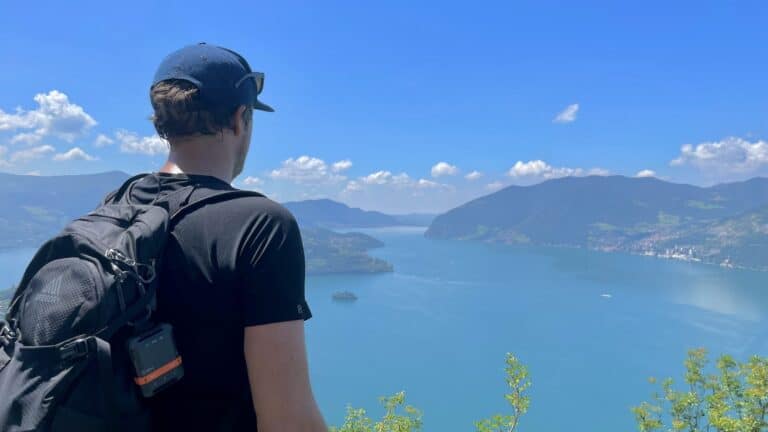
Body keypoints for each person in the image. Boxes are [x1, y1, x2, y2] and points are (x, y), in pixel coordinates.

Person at [112, 43, 327, 432]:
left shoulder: (114, 208)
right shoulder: (259, 225)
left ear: (164, 123)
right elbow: (290, 421)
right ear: (241, 118)